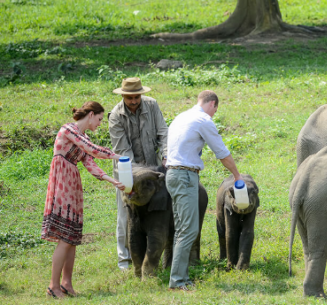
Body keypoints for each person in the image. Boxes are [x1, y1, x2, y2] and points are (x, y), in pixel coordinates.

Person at [42, 101, 125, 299]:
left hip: (72, 184)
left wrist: (112, 180)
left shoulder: (82, 137)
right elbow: (92, 149)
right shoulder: (69, 130)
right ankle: (52, 287)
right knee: (64, 237)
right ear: (90, 115)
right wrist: (116, 156)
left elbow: (90, 163)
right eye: (98, 119)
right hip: (62, 183)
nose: (99, 123)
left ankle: (66, 284)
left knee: (71, 238)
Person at [165, 90, 241, 290]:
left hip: (172, 175)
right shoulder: (203, 120)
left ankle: (180, 276)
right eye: (215, 110)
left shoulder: (181, 117)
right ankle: (178, 281)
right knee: (189, 229)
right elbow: (222, 152)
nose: (214, 114)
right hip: (184, 176)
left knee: (182, 227)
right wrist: (237, 176)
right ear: (213, 104)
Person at [108, 77, 168, 270]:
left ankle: (158, 255)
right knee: (126, 214)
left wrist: (166, 156)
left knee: (158, 211)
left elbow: (163, 133)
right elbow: (123, 152)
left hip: (153, 170)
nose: (133, 101)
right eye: (129, 97)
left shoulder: (152, 105)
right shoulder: (116, 116)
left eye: (136, 97)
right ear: (123, 95)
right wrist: (138, 177)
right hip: (127, 171)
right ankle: (125, 260)